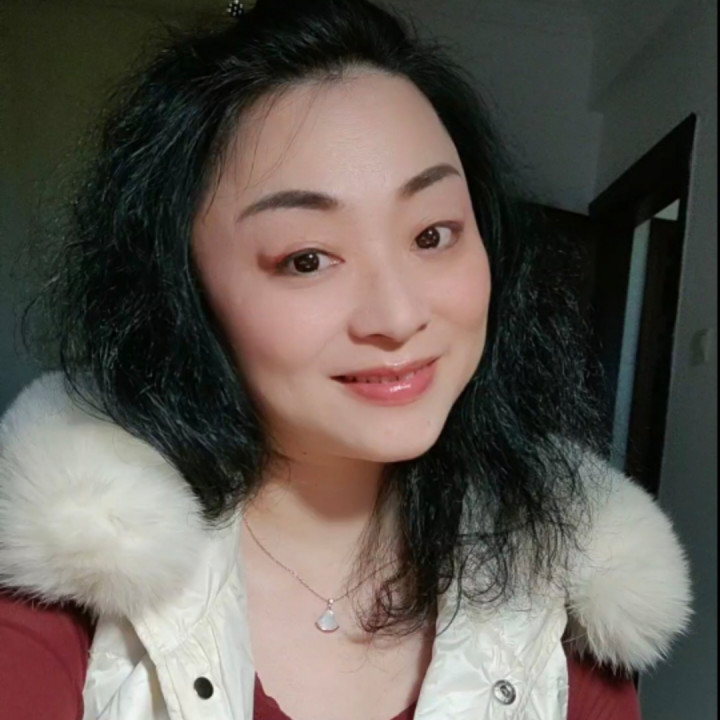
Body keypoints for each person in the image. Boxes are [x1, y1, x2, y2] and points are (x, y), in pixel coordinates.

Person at [0, 1, 691, 718]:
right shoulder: (66, 592)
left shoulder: (568, 601)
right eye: (307, 258)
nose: (398, 315)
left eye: (432, 235)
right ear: (181, 289)